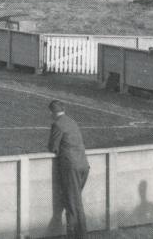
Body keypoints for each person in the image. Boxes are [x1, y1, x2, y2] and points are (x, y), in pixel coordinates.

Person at [48, 100, 90, 238]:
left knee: (72, 203)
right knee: (76, 202)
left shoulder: (57, 124)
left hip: (71, 167)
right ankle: (80, 234)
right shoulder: (72, 122)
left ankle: (76, 235)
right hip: (83, 164)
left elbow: (53, 147)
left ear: (52, 113)